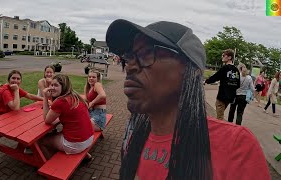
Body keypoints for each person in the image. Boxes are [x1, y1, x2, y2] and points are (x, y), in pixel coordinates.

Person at [106, 19, 270, 180]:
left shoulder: (236, 147)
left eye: (147, 53)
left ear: (190, 70)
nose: (129, 66)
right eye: (128, 56)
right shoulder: (134, 132)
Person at [39, 74, 94, 160]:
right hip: (89, 138)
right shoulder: (76, 96)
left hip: (76, 144)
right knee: (56, 133)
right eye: (52, 85)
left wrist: (45, 98)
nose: (52, 88)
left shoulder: (61, 101)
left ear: (64, 87)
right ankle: (86, 156)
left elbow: (47, 120)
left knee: (41, 141)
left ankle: (51, 168)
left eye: (56, 85)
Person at [204, 49, 240, 120]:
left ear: (229, 57)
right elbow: (238, 85)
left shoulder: (225, 68)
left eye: (224, 55)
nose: (222, 57)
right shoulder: (236, 70)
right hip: (230, 98)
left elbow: (215, 77)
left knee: (219, 117)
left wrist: (206, 81)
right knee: (220, 114)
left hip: (222, 96)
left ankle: (220, 130)